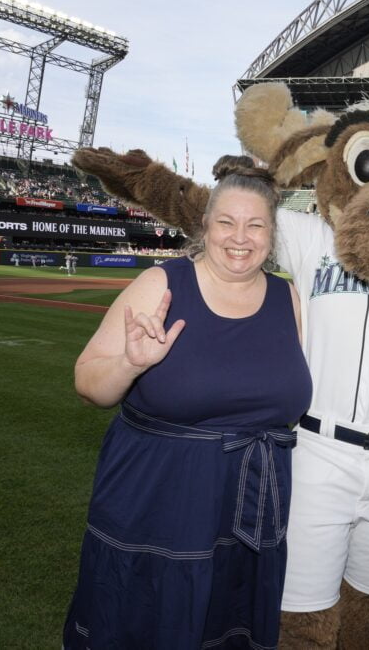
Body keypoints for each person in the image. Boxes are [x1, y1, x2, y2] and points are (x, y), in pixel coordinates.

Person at [62, 162, 312, 648]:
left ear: (272, 233)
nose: (240, 237)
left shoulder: (288, 297)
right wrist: (130, 365)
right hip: (158, 501)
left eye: (255, 224)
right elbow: (88, 382)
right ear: (205, 226)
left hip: (248, 507)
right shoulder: (164, 284)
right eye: (226, 222)